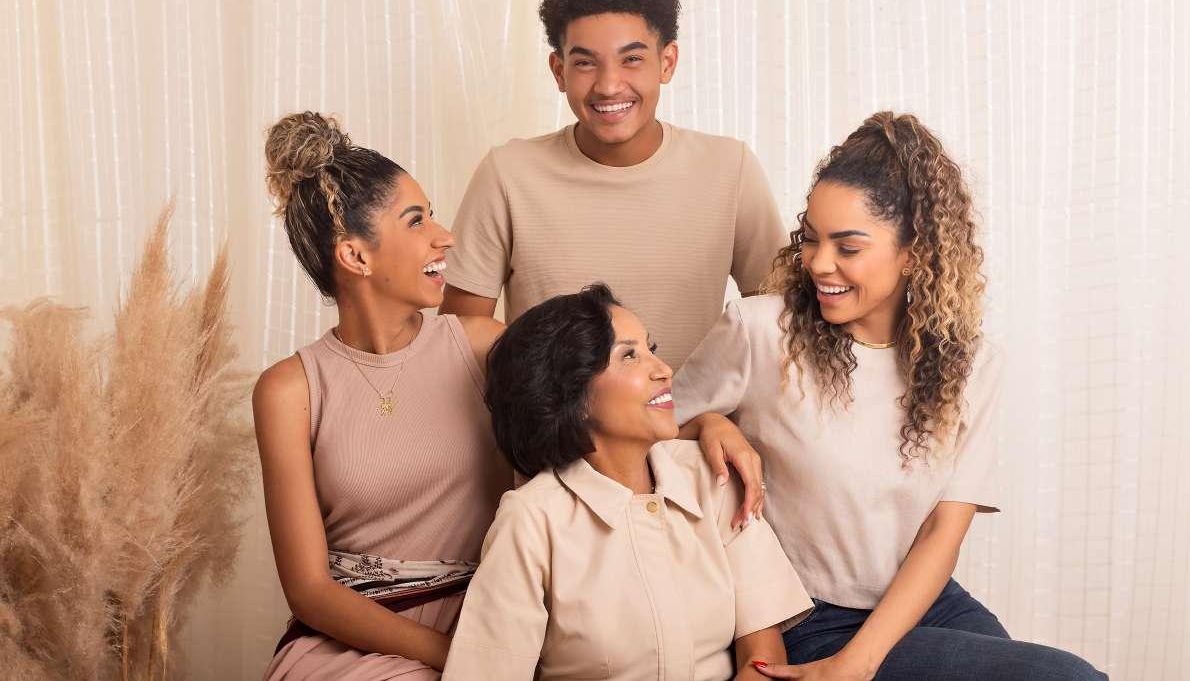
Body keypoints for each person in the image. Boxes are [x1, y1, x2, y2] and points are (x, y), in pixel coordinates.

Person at [675, 113, 1105, 679]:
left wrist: (857, 664)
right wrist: (708, 422)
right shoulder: (760, 330)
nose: (818, 263)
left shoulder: (971, 364)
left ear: (914, 253)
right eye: (811, 239)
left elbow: (942, 530)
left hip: (923, 600)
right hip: (806, 616)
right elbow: (647, 430)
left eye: (848, 247)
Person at [442, 284, 813, 680]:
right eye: (629, 355)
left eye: (650, 348)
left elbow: (763, 654)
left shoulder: (713, 476)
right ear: (573, 397)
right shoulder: (531, 519)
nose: (664, 369)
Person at [254, 112, 512, 679]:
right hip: (345, 643)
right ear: (356, 257)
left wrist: (704, 422)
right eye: (416, 221)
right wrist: (454, 660)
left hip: (482, 621)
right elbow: (310, 590)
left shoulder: (481, 348)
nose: (445, 236)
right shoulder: (289, 390)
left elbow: (595, 419)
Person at [440, 0, 786, 374]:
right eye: (585, 63)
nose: (608, 85)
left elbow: (780, 323)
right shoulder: (507, 174)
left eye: (632, 59)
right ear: (559, 71)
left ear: (667, 62)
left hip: (694, 415)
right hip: (552, 418)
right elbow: (458, 340)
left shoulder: (731, 169)